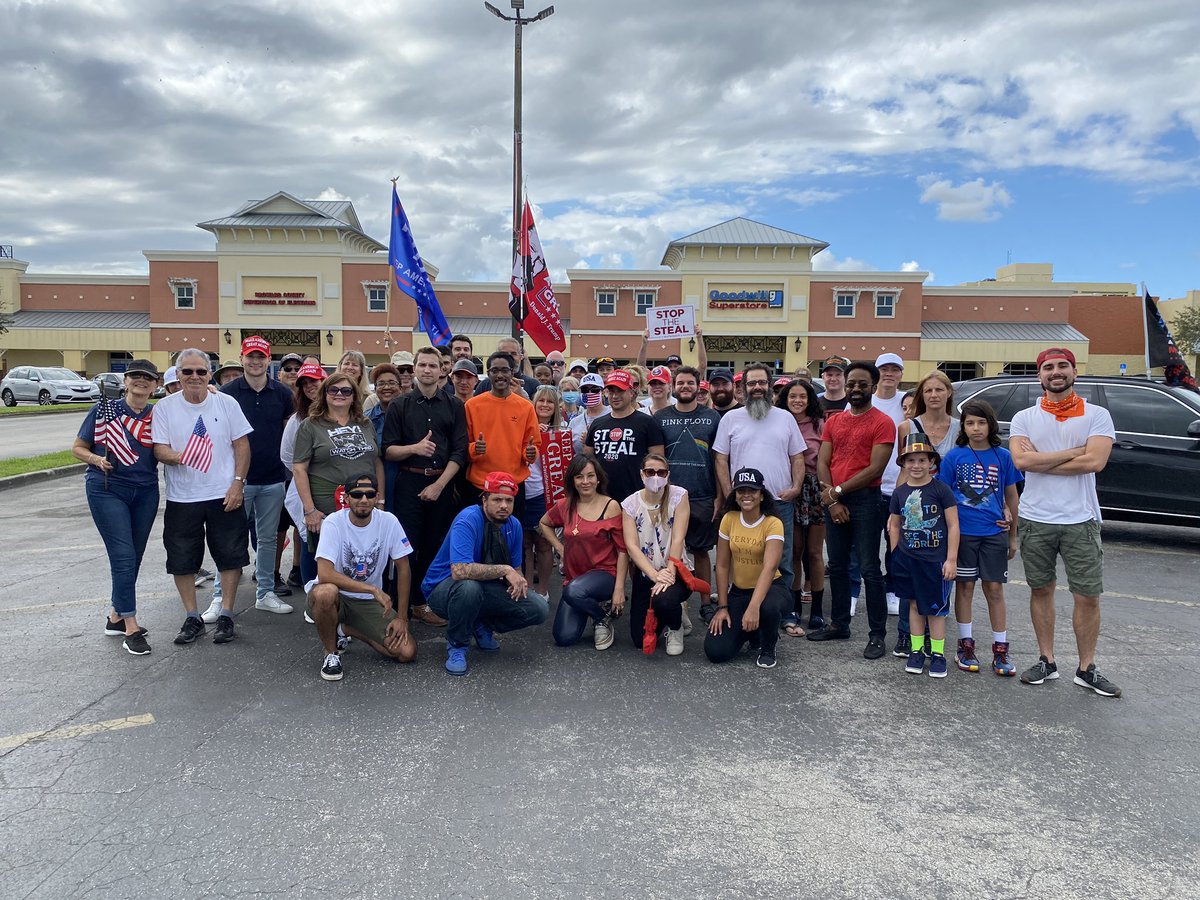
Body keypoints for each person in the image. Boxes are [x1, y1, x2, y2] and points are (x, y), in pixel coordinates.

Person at [1010, 347, 1120, 697]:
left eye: (1062, 366)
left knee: (1087, 595)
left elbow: (1095, 463)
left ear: (1074, 371)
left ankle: (1087, 667)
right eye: (1048, 368)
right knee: (1040, 590)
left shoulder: (1097, 414)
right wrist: (1075, 450)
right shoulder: (1024, 418)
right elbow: (1020, 462)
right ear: (1039, 375)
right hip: (1035, 517)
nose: (1055, 372)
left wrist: (1040, 459)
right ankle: (1047, 660)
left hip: (1080, 519)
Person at [152, 348, 253, 646]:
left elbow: (242, 446)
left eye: (200, 371)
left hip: (224, 494)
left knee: (230, 555)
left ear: (210, 374)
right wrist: (181, 455)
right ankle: (192, 616)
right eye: (187, 371)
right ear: (178, 376)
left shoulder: (226, 403)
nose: (194, 377)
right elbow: (159, 448)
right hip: (183, 497)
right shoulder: (165, 408)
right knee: (183, 559)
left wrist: (238, 483)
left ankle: (226, 614)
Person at [808, 361, 897, 659]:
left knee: (870, 569)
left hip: (866, 501)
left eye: (862, 384)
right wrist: (832, 499)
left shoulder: (882, 422)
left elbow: (876, 468)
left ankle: (876, 634)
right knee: (840, 565)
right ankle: (839, 624)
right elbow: (823, 461)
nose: (855, 389)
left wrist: (838, 492)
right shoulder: (834, 422)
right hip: (835, 500)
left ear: (873, 386)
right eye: (851, 384)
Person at [422, 471, 550, 676]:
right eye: (497, 499)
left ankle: (480, 624)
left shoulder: (514, 525)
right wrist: (505, 570)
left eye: (509, 500)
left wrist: (519, 583)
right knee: (469, 587)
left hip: (486, 587)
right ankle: (457, 646)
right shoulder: (468, 519)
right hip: (444, 590)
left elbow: (515, 569)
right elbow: (459, 571)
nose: (503, 506)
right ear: (484, 499)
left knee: (538, 607)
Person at [72, 360, 160, 656]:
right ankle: (131, 628)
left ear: (155, 384)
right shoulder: (104, 411)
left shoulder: (157, 414)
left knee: (134, 556)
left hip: (146, 490)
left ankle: (115, 617)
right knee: (122, 556)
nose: (141, 381)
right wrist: (97, 460)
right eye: (135, 376)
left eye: (147, 378)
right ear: (125, 380)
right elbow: (78, 447)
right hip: (107, 487)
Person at [382, 346, 466, 626]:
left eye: (433, 365)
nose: (428, 370)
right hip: (409, 482)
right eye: (423, 365)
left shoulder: (454, 405)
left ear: (443, 370)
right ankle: (398, 609)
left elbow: (459, 452)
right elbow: (388, 451)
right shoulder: (399, 405)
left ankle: (421, 604)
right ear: (415, 369)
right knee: (405, 548)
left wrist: (440, 485)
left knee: (433, 547)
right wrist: (414, 448)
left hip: (442, 484)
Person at [306, 473, 416, 681]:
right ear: (346, 499)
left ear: (377, 497)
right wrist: (373, 589)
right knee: (325, 592)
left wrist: (402, 618)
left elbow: (403, 567)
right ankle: (331, 654)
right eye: (357, 494)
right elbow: (324, 573)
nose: (363, 500)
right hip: (336, 597)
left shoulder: (389, 521)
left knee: (406, 652)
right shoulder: (333, 522)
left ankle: (346, 628)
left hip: (366, 603)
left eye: (369, 494)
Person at [939, 400, 1022, 676]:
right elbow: (944, 496)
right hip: (963, 535)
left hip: (994, 533)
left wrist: (1013, 536)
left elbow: (1011, 496)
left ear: (991, 425)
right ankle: (965, 646)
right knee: (964, 588)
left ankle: (1000, 649)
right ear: (963, 426)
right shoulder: (954, 457)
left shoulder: (1003, 456)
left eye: (981, 422)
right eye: (970, 423)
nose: (976, 428)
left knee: (995, 590)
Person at [292, 372, 386, 608]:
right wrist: (309, 509)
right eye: (333, 390)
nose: (339, 395)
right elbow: (299, 468)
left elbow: (377, 462)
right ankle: (316, 603)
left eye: (346, 391)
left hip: (362, 498)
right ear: (324, 394)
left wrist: (380, 499)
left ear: (354, 395)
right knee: (320, 551)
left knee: (356, 551)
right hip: (325, 500)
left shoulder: (365, 423)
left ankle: (351, 603)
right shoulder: (310, 425)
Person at [713, 363, 806, 590]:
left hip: (779, 501)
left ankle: (783, 614)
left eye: (762, 382)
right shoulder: (730, 419)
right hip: (742, 500)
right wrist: (728, 493)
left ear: (770, 385)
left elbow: (798, 458)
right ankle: (741, 604)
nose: (757, 387)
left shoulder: (785, 418)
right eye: (752, 382)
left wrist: (795, 488)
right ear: (743, 387)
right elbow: (721, 459)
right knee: (740, 556)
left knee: (782, 560)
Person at [220, 336, 295, 614]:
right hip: (238, 480)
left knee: (267, 540)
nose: (255, 361)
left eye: (260, 357)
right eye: (250, 356)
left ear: (268, 360)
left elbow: (290, 434)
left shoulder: (283, 394)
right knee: (230, 538)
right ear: (242, 359)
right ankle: (219, 596)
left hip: (273, 479)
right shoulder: (227, 393)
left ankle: (265, 592)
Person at [891, 370, 960, 633]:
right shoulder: (907, 427)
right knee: (909, 575)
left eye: (939, 389)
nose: (934, 395)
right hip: (916, 508)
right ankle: (906, 634)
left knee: (941, 573)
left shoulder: (960, 425)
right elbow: (903, 470)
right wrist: (895, 512)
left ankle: (935, 635)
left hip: (948, 507)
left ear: (949, 393)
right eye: (928, 390)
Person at [888, 433, 959, 678]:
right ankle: (916, 650)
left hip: (935, 560)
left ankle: (937, 654)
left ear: (932, 462)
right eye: (911, 461)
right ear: (903, 464)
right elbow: (895, 525)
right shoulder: (900, 492)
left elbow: (953, 526)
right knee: (915, 606)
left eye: (922, 460)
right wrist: (895, 553)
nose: (916, 465)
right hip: (908, 559)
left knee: (936, 609)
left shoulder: (941, 490)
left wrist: (951, 559)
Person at [704, 467, 791, 668]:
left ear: (761, 495)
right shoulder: (729, 519)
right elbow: (723, 565)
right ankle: (752, 632)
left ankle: (768, 645)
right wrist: (723, 607)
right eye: (741, 491)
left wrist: (753, 607)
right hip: (739, 592)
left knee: (767, 607)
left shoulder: (773, 523)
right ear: (735, 496)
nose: (746, 495)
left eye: (752, 490)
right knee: (716, 652)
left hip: (772, 589)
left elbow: (770, 568)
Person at [655, 365, 720, 623]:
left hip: (703, 494)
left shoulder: (713, 417)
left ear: (698, 386)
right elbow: (656, 459)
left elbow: (719, 459)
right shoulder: (660, 417)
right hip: (669, 496)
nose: (685, 387)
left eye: (690, 383)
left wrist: (719, 495)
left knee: (701, 550)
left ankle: (705, 602)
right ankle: (673, 602)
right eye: (680, 383)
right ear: (673, 386)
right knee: (668, 550)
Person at [541, 455, 628, 649]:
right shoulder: (565, 505)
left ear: (598, 479)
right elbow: (544, 523)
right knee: (564, 638)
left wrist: (619, 589)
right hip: (575, 579)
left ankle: (601, 618)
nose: (585, 481)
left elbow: (623, 550)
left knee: (574, 592)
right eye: (579, 477)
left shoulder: (611, 506)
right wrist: (560, 548)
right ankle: (598, 611)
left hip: (605, 574)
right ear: (573, 480)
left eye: (590, 476)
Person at [621, 453, 692, 655]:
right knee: (638, 638)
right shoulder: (629, 504)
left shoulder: (679, 496)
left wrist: (669, 574)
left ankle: (675, 625)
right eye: (650, 472)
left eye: (661, 472)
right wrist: (654, 575)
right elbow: (631, 546)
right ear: (642, 474)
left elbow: (678, 538)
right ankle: (673, 611)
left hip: (675, 570)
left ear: (668, 475)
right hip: (647, 573)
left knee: (664, 600)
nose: (655, 476)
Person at [777, 379, 826, 634]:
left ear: (810, 399)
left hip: (815, 489)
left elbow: (827, 456)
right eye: (792, 396)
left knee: (815, 553)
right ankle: (794, 606)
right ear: (785, 399)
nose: (797, 401)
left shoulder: (819, 424)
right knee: (793, 551)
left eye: (802, 396)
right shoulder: (779, 421)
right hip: (789, 488)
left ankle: (816, 610)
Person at [465, 350, 539, 510]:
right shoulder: (472, 405)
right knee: (480, 533)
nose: (500, 375)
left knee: (511, 533)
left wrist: (530, 453)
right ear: (488, 373)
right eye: (494, 371)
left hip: (513, 485)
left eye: (505, 370)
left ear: (512, 373)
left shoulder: (526, 407)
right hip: (480, 484)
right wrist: (473, 449)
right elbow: (462, 445)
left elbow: (533, 445)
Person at [584, 370, 666, 505]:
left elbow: (658, 463)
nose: (615, 396)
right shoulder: (597, 424)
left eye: (620, 391)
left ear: (631, 392)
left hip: (637, 499)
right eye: (611, 391)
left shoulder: (648, 422)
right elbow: (587, 461)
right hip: (602, 499)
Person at [281, 362, 325, 587]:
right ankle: (311, 594)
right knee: (311, 538)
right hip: (307, 487)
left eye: (313, 381)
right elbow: (287, 455)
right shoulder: (298, 419)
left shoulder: (338, 410)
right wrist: (305, 474)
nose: (309, 386)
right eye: (304, 383)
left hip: (336, 488)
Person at [524, 386, 569, 591]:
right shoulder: (523, 426)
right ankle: (524, 588)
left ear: (555, 407)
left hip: (545, 494)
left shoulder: (562, 430)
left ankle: (542, 591)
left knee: (543, 543)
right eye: (540, 401)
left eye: (549, 402)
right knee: (524, 544)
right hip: (520, 491)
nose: (544, 405)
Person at [475, 337, 540, 398]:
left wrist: (522, 396)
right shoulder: (485, 385)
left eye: (513, 353)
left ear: (521, 357)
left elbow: (539, 409)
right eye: (504, 353)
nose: (510, 358)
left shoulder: (533, 384)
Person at [570, 373, 606, 454]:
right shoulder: (574, 422)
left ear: (603, 392)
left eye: (595, 389)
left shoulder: (613, 414)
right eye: (585, 390)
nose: (590, 393)